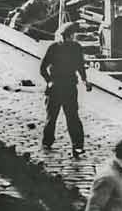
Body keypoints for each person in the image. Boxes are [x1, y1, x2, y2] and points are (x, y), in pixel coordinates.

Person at [39, 21, 91, 158]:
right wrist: (49, 81)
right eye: (72, 35)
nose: (72, 38)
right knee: (63, 117)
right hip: (62, 87)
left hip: (62, 87)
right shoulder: (65, 48)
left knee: (62, 117)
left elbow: (80, 66)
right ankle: (62, 143)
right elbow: (42, 68)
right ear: (69, 35)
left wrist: (85, 81)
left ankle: (71, 145)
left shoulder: (66, 48)